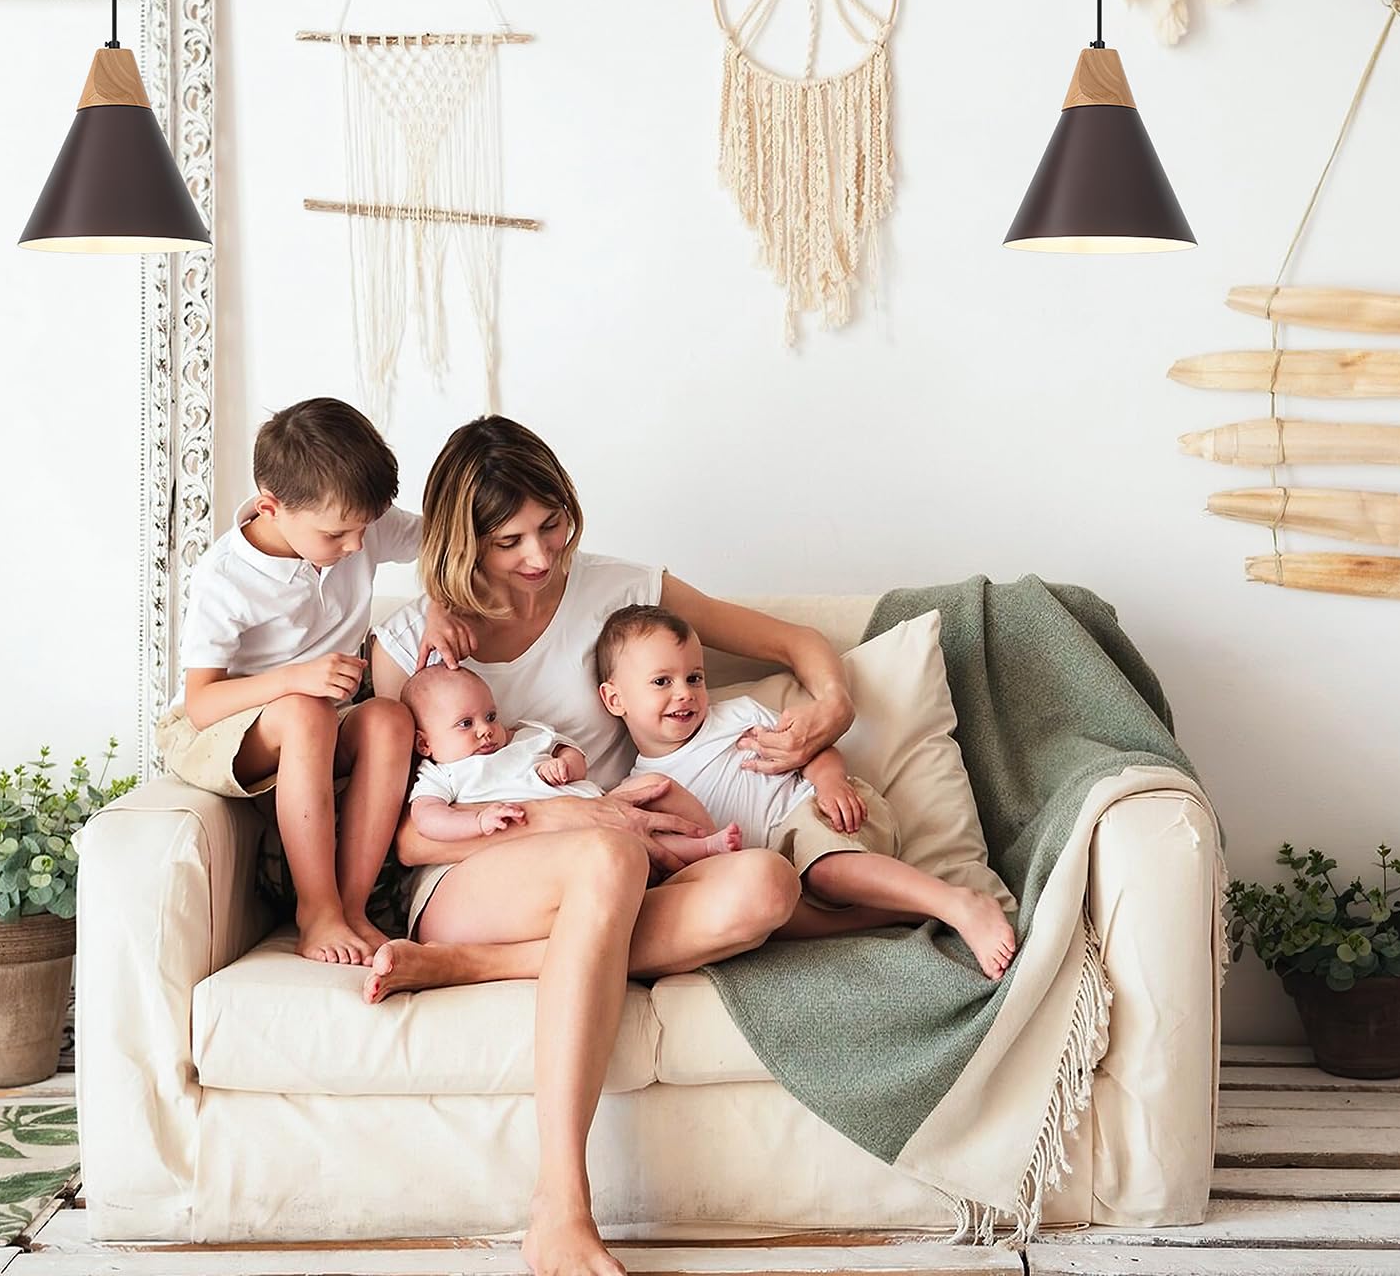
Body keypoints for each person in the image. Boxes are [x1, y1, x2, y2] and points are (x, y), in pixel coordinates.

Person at [365, 414, 877, 1276]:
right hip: (476, 874)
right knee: (611, 855)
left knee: (765, 885)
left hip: (619, 868)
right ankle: (560, 1204)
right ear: (461, 540)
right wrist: (580, 821)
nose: (540, 556)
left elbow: (794, 644)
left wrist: (833, 708)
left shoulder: (622, 588)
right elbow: (408, 839)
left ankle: (473, 968)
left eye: (552, 525)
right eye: (508, 541)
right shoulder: (416, 641)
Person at [156, 397, 460, 966]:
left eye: (364, 529)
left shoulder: (355, 524)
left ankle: (352, 907)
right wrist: (296, 679)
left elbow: (445, 543)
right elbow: (201, 704)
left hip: (323, 716)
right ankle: (316, 911)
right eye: (337, 534)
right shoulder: (226, 577)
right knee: (305, 710)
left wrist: (440, 605)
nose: (356, 546)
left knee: (390, 718)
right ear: (271, 507)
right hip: (224, 730)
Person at [596, 604, 1017, 980]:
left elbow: (815, 750)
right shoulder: (638, 792)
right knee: (771, 915)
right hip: (777, 872)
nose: (684, 693)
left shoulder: (736, 718)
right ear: (615, 699)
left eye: (694, 677)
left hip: (820, 811)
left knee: (825, 872)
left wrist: (830, 782)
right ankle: (890, 912)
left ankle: (956, 903)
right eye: (662, 681)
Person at [401, 662, 742, 864]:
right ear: (425, 743)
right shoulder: (442, 773)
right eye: (465, 724)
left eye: (490, 716)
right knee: (624, 843)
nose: (485, 730)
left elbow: (575, 756)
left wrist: (565, 764)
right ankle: (698, 851)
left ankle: (704, 841)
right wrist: (478, 821)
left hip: (602, 806)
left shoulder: (524, 737)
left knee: (656, 787)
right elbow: (428, 819)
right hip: (547, 845)